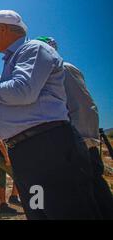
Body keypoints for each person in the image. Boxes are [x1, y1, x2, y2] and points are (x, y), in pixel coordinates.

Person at [0, 9, 100, 219]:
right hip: (27, 154)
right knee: (38, 212)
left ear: (3, 29)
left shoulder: (34, 48)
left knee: (66, 211)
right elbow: (18, 99)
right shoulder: (13, 61)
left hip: (47, 149)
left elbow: (22, 90)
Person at [36, 36, 113, 219]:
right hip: (59, 148)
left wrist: (84, 141)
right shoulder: (42, 78)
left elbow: (84, 106)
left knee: (92, 192)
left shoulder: (64, 69)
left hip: (77, 147)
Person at [0, 129, 21, 214]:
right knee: (19, 176)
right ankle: (14, 197)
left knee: (0, 181)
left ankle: (3, 205)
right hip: (1, 157)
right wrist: (6, 157)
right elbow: (0, 142)